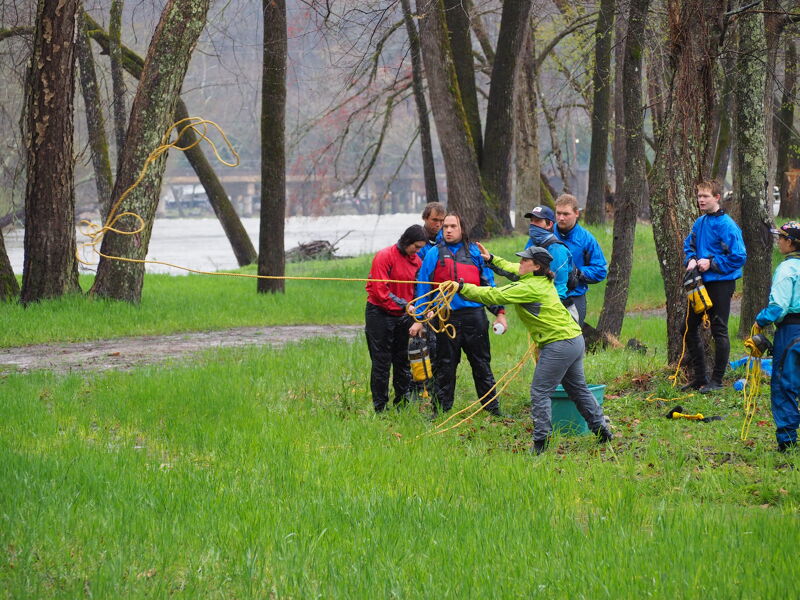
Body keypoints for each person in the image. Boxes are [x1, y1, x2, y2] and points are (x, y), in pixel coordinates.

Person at [452, 245, 614, 454]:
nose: (520, 263)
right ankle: (602, 431)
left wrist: (461, 288)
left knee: (540, 392)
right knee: (578, 389)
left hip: (559, 344)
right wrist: (492, 259)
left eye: (524, 260)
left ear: (536, 266)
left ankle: (540, 444)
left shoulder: (529, 288)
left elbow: (494, 295)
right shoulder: (538, 279)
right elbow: (512, 268)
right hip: (573, 339)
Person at [409, 213, 507, 416]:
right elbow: (422, 288)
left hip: (474, 317)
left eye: (453, 226)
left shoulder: (474, 252)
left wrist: (500, 313)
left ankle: (492, 410)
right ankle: (440, 411)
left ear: (462, 228)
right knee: (444, 366)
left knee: (481, 364)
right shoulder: (433, 254)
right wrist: (419, 319)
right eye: (445, 226)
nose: (448, 230)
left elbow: (489, 285)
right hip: (446, 319)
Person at [681, 179, 747, 393]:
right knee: (688, 329)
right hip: (699, 284)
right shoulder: (699, 223)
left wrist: (712, 262)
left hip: (721, 283)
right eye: (699, 196)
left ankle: (716, 381)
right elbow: (689, 244)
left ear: (717, 198)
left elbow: (739, 256)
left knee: (719, 330)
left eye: (705, 196)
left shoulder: (727, 225)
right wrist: (690, 259)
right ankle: (700, 378)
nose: (701, 200)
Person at [364, 225, 427, 412]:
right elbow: (380, 291)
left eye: (420, 248)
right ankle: (380, 407)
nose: (418, 251)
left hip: (404, 315)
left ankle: (402, 403)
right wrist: (404, 304)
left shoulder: (417, 261)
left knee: (403, 361)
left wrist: (421, 310)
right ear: (406, 241)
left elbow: (419, 289)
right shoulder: (385, 256)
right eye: (416, 247)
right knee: (381, 362)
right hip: (379, 314)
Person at [755, 221, 800, 452]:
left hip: (791, 333)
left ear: (790, 243)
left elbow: (779, 307)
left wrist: (760, 321)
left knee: (785, 385)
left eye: (781, 238)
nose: (778, 241)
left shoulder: (787, 269)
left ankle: (788, 440)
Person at [553, 194, 608, 325]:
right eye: (558, 213)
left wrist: (578, 273)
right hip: (547, 295)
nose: (561, 218)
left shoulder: (586, 239)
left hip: (574, 296)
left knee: (571, 340)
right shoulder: (546, 233)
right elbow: (527, 261)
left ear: (576, 213)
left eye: (566, 214)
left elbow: (600, 270)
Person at [516, 204, 578, 320]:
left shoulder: (557, 249)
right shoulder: (532, 244)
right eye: (532, 221)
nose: (533, 225)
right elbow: (524, 272)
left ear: (549, 224)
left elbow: (559, 287)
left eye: (538, 221)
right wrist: (492, 260)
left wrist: (550, 313)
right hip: (541, 307)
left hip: (560, 311)